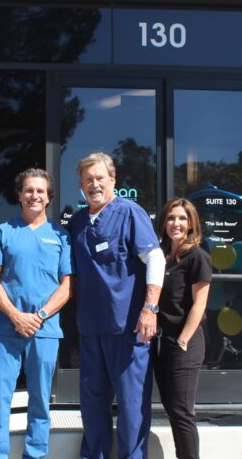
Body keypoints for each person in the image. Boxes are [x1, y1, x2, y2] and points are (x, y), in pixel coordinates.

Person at [70, 152, 165, 459]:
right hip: (91, 328)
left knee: (131, 404)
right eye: (88, 180)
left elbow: (156, 259)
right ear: (81, 186)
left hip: (127, 328)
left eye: (100, 178)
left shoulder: (130, 213)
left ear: (113, 180)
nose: (94, 184)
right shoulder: (77, 222)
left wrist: (150, 309)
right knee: (92, 403)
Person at [0, 168, 72, 459]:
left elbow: (67, 286)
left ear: (49, 197)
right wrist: (15, 316)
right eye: (29, 190)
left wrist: (40, 315)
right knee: (0, 397)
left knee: (40, 399)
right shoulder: (3, 232)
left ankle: (35, 453)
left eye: (40, 191)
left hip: (45, 330)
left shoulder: (61, 236)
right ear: (20, 195)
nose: (34, 195)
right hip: (6, 329)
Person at [152, 198, 212, 459]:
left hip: (184, 343)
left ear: (191, 224)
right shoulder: (160, 257)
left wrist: (183, 340)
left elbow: (200, 303)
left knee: (181, 411)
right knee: (171, 408)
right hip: (162, 343)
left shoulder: (197, 256)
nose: (175, 223)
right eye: (171, 218)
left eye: (182, 218)